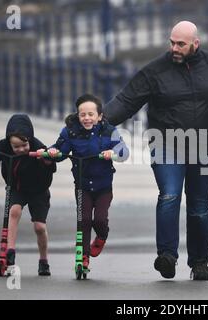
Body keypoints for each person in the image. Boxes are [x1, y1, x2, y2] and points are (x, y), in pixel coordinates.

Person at [103, 21, 208, 280]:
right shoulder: (155, 70)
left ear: (196, 43)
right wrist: (96, 123)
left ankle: (199, 263)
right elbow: (126, 101)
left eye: (180, 44)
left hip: (204, 145)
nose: (174, 48)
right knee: (170, 196)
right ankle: (167, 256)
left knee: (199, 206)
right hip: (166, 143)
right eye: (171, 42)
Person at [48, 94, 129, 271]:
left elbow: (124, 152)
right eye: (82, 114)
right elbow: (59, 150)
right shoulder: (70, 131)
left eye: (91, 114)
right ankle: (83, 257)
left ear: (99, 116)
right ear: (78, 115)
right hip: (82, 185)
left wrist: (113, 153)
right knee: (83, 220)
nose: (86, 118)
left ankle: (101, 236)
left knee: (99, 219)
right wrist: (51, 153)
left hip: (103, 186)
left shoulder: (110, 131)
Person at [0, 114, 56, 276]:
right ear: (9, 142)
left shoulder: (37, 145)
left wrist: (46, 158)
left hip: (39, 190)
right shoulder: (4, 145)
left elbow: (52, 167)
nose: (20, 150)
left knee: (39, 227)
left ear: (30, 139)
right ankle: (10, 251)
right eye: (16, 147)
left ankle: (43, 261)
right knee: (14, 211)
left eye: (24, 145)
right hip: (17, 187)